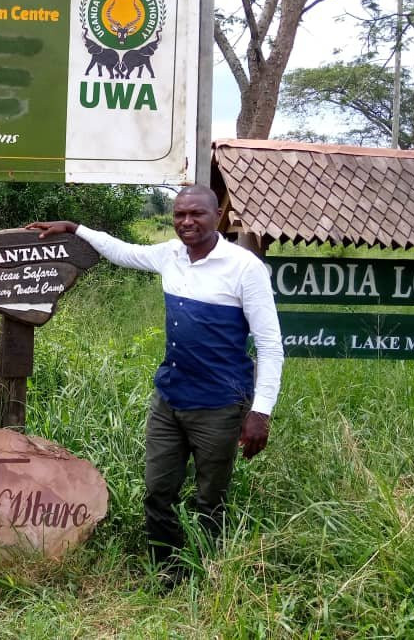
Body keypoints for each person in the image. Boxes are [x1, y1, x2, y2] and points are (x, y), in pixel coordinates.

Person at [28, 184, 283, 585]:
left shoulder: (244, 268)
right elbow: (124, 251)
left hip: (218, 405)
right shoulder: (170, 255)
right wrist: (76, 228)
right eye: (179, 214)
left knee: (208, 498)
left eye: (196, 214)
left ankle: (205, 573)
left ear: (217, 217)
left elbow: (270, 346)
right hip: (169, 398)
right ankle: (166, 570)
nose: (186, 222)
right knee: (157, 491)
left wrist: (260, 412)